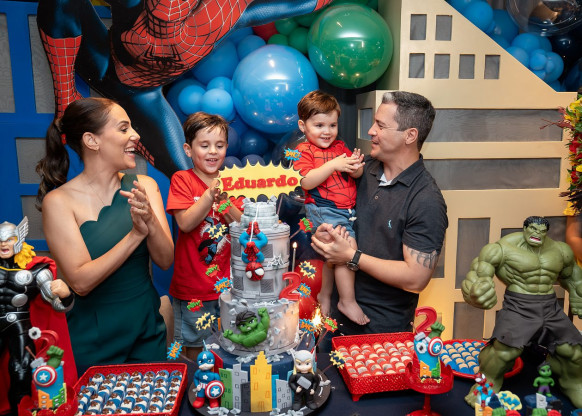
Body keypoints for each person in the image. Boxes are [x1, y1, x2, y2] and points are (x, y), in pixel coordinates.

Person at [36, 0, 334, 178]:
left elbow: (291, 5)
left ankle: (133, 137)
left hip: (145, 95)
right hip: (104, 63)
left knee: (187, 177)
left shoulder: (224, 14)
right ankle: (66, 99)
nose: (165, 19)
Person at [36, 97, 174, 367]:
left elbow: (166, 260)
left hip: (146, 331)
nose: (135, 135)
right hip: (93, 338)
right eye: (123, 128)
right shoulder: (58, 202)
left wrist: (150, 221)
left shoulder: (144, 186)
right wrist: (135, 235)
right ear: (92, 140)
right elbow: (80, 283)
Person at [311, 91, 448, 340]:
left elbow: (416, 278)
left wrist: (351, 256)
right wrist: (326, 234)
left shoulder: (425, 199)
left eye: (381, 126)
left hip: (380, 335)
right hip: (335, 322)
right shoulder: (362, 170)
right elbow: (335, 212)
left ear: (410, 135)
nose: (371, 131)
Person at [461, 216, 582, 408]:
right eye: (533, 229)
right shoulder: (501, 248)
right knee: (505, 351)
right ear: (525, 228)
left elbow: (573, 278)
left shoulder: (560, 250)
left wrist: (578, 294)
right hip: (519, 305)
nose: (537, 234)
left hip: (550, 306)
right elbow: (477, 276)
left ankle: (574, 383)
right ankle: (487, 384)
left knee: (573, 351)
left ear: (546, 232)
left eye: (542, 231)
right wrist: (476, 293)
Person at [166, 112, 241, 359]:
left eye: (219, 145)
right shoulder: (182, 180)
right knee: (195, 346)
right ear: (188, 149)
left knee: (230, 344)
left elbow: (243, 226)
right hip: (193, 288)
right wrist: (209, 196)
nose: (213, 152)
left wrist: (225, 201)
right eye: (204, 145)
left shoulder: (233, 182)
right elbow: (185, 223)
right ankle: (196, 380)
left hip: (228, 288)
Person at [293, 90, 366, 325]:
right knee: (347, 248)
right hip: (323, 209)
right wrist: (334, 165)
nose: (327, 131)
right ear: (303, 126)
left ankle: (324, 294)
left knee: (333, 256)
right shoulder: (303, 151)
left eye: (332, 125)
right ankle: (347, 301)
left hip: (345, 210)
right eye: (319, 125)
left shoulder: (340, 147)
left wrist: (355, 166)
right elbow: (306, 181)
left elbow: (356, 174)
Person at [0, 217, 74, 414]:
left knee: (21, 370)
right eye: (0, 240)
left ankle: (20, 411)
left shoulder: (36, 270)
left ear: (19, 238)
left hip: (18, 324)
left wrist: (66, 295)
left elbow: (57, 305)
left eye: (9, 239)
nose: (4, 244)